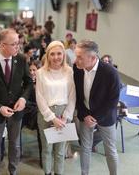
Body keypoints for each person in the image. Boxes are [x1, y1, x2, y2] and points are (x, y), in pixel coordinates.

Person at [0, 28, 32, 175]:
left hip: (16, 110)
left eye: (19, 43)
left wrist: (23, 98)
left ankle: (13, 171)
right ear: (2, 45)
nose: (18, 47)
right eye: (14, 44)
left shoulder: (21, 59)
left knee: (15, 145)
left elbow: (29, 83)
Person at [73, 40, 120, 175]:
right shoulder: (77, 69)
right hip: (85, 115)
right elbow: (77, 94)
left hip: (105, 117)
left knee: (110, 150)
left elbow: (113, 100)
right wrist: (84, 114)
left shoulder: (111, 73)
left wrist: (96, 117)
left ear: (93, 58)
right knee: (85, 148)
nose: (76, 60)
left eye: (80, 57)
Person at [36, 41, 76, 175]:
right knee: (47, 150)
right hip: (46, 114)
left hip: (64, 113)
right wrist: (52, 117)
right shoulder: (41, 72)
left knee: (60, 151)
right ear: (47, 56)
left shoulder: (69, 71)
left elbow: (72, 95)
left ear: (64, 55)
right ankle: (47, 172)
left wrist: (66, 117)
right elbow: (39, 97)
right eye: (52, 54)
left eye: (59, 53)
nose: (56, 57)